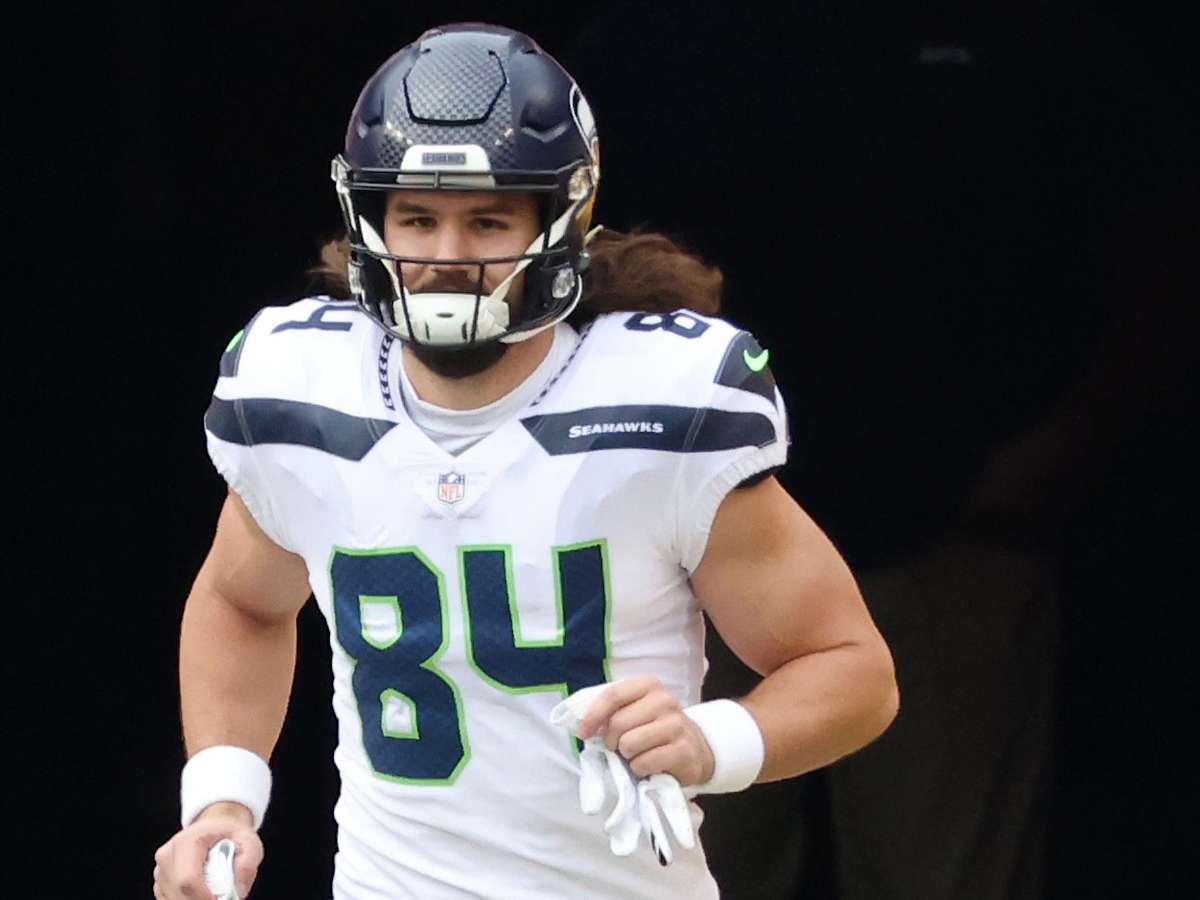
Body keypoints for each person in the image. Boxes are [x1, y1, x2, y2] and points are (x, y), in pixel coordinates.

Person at [152, 22, 898, 900]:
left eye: (489, 219)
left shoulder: (661, 403)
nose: (446, 257)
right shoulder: (304, 387)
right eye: (418, 217)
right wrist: (224, 800)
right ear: (369, 217)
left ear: (562, 219)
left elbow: (852, 669)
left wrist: (714, 741)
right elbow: (242, 601)